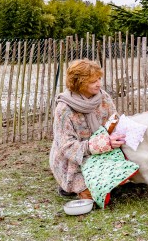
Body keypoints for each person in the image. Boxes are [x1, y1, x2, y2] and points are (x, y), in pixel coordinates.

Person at [49, 59, 126, 200]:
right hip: (74, 159)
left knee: (120, 179)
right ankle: (70, 186)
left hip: (103, 153)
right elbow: (67, 147)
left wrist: (122, 131)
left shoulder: (104, 98)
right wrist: (99, 144)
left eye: (99, 79)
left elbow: (114, 121)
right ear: (79, 83)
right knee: (92, 195)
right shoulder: (64, 109)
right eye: (92, 81)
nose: (99, 84)